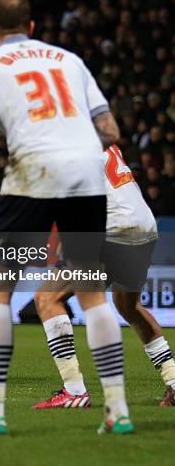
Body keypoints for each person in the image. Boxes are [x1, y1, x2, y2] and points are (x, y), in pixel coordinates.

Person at [0, 0, 131, 435]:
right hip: (88, 175)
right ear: (32, 27)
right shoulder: (70, 60)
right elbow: (110, 130)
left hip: (29, 175)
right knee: (92, 293)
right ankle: (118, 410)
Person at [33, 145, 175, 409]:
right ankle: (174, 381)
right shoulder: (100, 140)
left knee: (47, 298)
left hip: (110, 226)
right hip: (143, 225)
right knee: (128, 306)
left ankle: (74, 390)